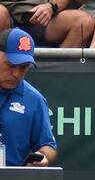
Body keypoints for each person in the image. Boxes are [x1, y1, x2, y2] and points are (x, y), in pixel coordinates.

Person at [0, 28, 57, 167]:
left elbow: (48, 145)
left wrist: (43, 158)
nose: (16, 74)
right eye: (11, 65)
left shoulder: (34, 99)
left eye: (24, 67)